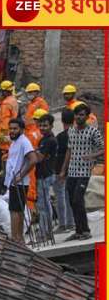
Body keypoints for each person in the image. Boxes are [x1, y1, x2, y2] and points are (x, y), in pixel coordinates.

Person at [59, 103, 103, 242]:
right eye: (77, 114)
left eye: (82, 115)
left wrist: (92, 156)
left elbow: (103, 148)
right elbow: (69, 151)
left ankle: (86, 230)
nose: (79, 117)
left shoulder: (93, 132)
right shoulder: (71, 131)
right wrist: (63, 170)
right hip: (72, 171)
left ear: (86, 116)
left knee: (78, 199)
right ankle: (78, 231)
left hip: (84, 172)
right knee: (72, 201)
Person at [5, 119, 38, 243]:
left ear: (22, 129)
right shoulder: (15, 142)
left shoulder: (24, 142)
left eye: (15, 128)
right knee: (17, 210)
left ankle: (15, 238)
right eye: (11, 128)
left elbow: (33, 159)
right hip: (14, 182)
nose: (12, 131)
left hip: (19, 183)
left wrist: (20, 175)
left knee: (15, 211)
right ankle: (19, 239)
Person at [53, 109, 75, 234]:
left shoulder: (61, 137)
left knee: (61, 197)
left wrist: (60, 171)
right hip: (75, 170)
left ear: (62, 120)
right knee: (70, 197)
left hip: (61, 171)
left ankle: (63, 224)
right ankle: (71, 223)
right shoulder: (78, 134)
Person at [35, 114, 57, 240]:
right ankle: (47, 231)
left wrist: (32, 153)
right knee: (45, 204)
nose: (42, 128)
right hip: (43, 175)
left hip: (45, 175)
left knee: (43, 206)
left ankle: (45, 233)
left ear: (51, 126)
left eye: (45, 125)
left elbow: (39, 157)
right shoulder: (43, 139)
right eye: (41, 125)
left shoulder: (49, 140)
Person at [0, 80, 19, 177]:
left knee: (2, 151)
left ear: (5, 91)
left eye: (2, 91)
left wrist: (1, 135)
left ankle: (2, 172)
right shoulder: (13, 100)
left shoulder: (6, 103)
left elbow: (4, 120)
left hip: (3, 131)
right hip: (8, 131)